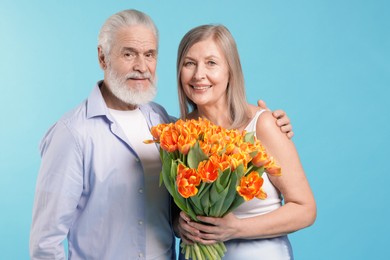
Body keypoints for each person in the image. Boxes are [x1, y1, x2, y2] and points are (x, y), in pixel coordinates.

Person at [29, 9, 293, 260]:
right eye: (129, 54)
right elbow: (45, 243)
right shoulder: (72, 135)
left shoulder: (164, 123)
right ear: (102, 58)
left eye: (150, 54)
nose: (141, 66)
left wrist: (266, 123)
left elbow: (215, 142)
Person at [175, 24, 316, 260]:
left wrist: (237, 229)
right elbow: (173, 212)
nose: (199, 75)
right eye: (190, 63)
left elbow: (305, 209)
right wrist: (180, 226)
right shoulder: (178, 134)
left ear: (231, 70)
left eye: (211, 63)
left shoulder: (263, 125)